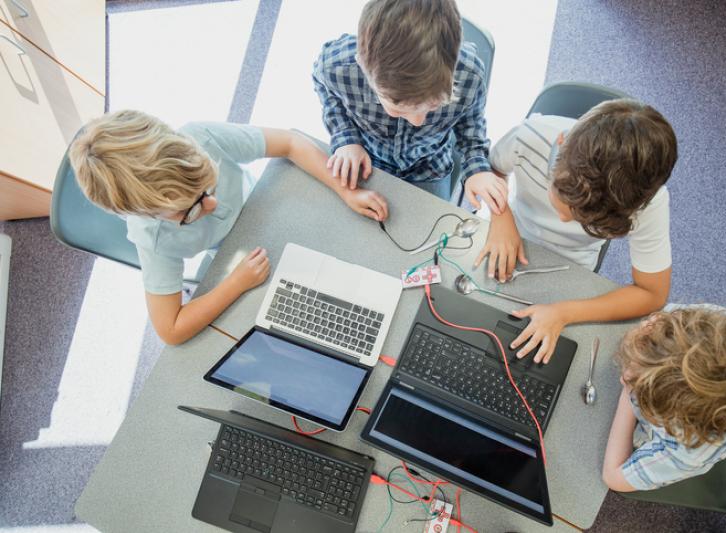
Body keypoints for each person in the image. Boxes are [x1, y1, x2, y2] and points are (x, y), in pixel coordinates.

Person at [69, 110, 388, 345]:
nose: (212, 205)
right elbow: (171, 329)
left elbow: (290, 142)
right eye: (189, 210)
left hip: (270, 209)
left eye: (208, 186)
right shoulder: (153, 238)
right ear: (151, 215)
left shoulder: (201, 137)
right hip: (241, 254)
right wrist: (236, 283)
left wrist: (347, 191)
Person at [479, 99, 678, 363]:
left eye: (581, 220)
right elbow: (490, 169)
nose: (562, 220)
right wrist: (501, 215)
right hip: (510, 230)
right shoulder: (530, 136)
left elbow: (652, 293)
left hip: (575, 264)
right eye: (561, 202)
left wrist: (565, 312)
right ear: (559, 146)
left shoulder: (647, 203)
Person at [312, 0, 507, 208]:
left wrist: (477, 169)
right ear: (362, 65)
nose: (418, 121)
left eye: (434, 106)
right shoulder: (337, 67)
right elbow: (325, 88)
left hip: (429, 167)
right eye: (397, 109)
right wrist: (346, 138)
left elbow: (471, 127)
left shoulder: (470, 76)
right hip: (367, 159)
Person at [602, 307, 726, 491]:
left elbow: (613, 478)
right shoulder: (705, 322)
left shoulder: (688, 450)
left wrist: (628, 391)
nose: (625, 372)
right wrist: (648, 336)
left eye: (636, 375)